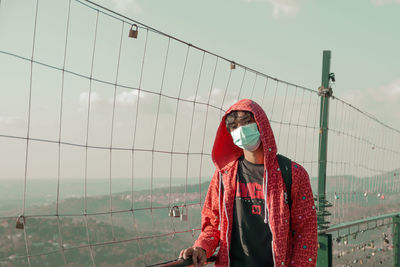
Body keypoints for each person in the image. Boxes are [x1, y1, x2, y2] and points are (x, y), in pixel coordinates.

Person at [179, 99, 318, 266]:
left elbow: (306, 232)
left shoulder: (293, 174)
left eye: (246, 123)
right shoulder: (224, 175)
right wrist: (201, 247)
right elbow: (213, 223)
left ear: (262, 125)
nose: (240, 131)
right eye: (234, 127)